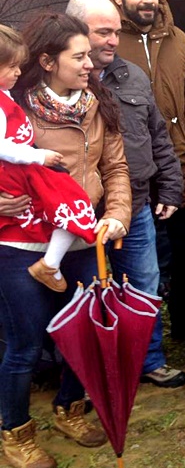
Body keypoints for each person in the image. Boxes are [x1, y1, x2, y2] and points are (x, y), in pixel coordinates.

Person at [0, 12, 131, 468]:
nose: (90, 65)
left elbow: (115, 169)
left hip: (81, 240)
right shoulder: (12, 107)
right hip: (19, 245)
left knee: (87, 332)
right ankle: (15, 434)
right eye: (79, 57)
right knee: (26, 344)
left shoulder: (99, 106)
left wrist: (115, 216)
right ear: (47, 61)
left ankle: (70, 410)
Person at [66, 0, 185, 389]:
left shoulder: (131, 76)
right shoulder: (55, 84)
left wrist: (170, 187)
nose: (113, 41)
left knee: (144, 286)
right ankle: (88, 373)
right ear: (76, 31)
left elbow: (157, 135)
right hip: (79, 215)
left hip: (135, 205)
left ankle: (148, 359)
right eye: (103, 32)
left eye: (117, 32)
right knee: (83, 294)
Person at [112, 0, 185, 347]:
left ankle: (183, 324)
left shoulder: (178, 38)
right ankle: (136, 337)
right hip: (129, 171)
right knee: (136, 259)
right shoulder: (108, 40)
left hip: (178, 164)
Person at [0, 25, 98, 293]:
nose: (18, 72)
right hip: (20, 170)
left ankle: (50, 262)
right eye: (11, 66)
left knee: (70, 203)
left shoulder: (8, 96)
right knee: (74, 203)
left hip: (23, 170)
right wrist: (38, 155)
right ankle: (50, 264)